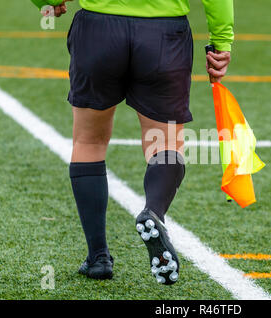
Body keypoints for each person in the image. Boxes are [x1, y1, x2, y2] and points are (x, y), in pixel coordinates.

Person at [31, 0, 233, 285]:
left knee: (89, 142)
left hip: (98, 30)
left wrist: (48, 2)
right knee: (165, 144)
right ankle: (153, 212)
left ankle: (98, 257)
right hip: (164, 33)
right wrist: (221, 40)